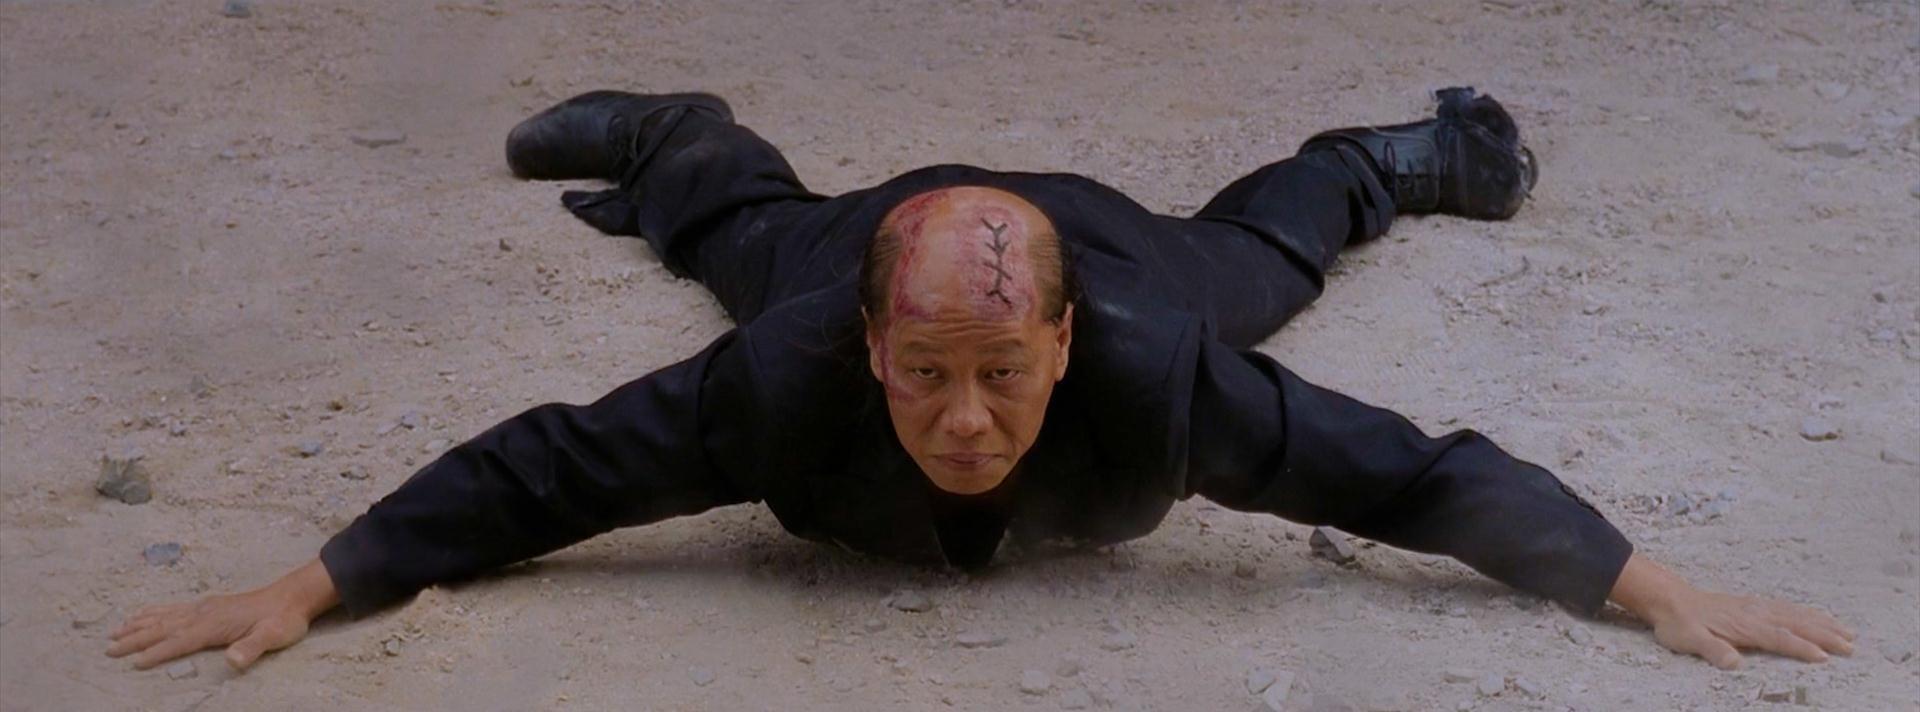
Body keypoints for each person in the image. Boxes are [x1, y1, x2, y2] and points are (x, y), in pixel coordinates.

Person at [107, 87, 1853, 673]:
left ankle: (1387, 155)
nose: (963, 417)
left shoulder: (1152, 365)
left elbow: (1411, 471)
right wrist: (309, 584)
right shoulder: (798, 365)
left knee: (1260, 263)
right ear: (873, 347)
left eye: (1003, 377)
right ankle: (669, 126)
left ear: (1063, 346)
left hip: (1100, 243)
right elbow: (546, 468)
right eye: (928, 374)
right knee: (736, 226)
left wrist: (1654, 587)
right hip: (867, 239)